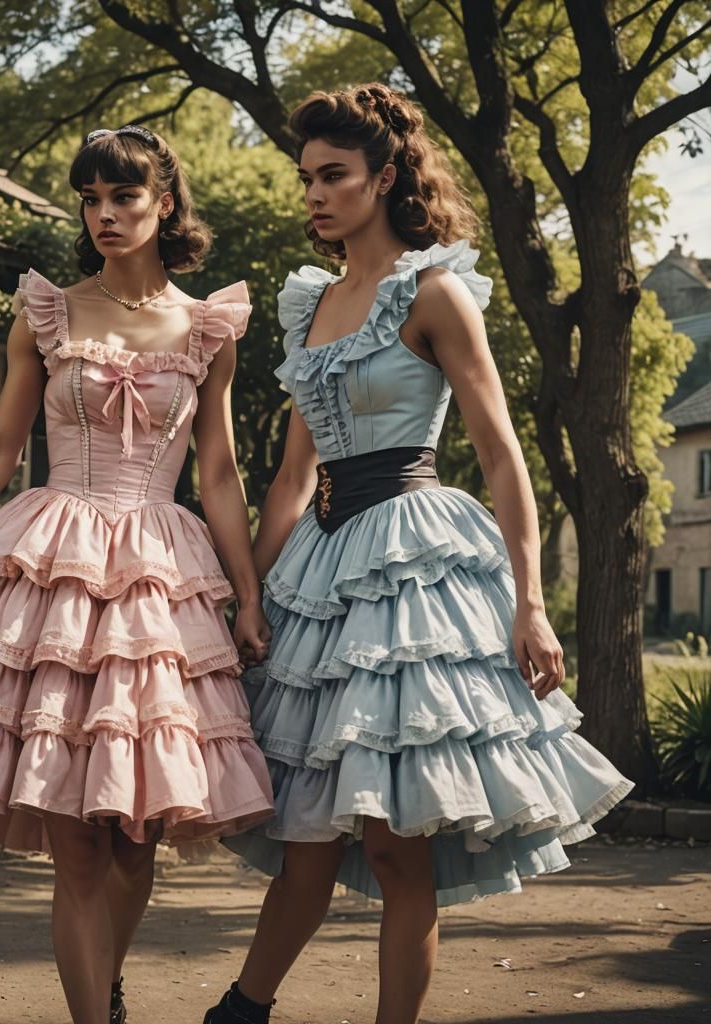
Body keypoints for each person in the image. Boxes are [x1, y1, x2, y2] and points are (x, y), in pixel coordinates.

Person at [206, 84, 633, 1024]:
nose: (314, 194)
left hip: (413, 560)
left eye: (334, 176)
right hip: (321, 565)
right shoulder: (312, 304)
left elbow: (501, 455)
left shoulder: (434, 291)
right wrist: (244, 595)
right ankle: (238, 1011)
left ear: (384, 176)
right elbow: (285, 480)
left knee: (399, 845)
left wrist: (530, 603)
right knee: (307, 834)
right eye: (306, 177)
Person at [0, 123, 274, 1024]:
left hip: (159, 580)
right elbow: (1, 449)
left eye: (124, 196)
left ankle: (103, 988)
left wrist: (249, 595)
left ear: (164, 203)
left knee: (135, 842)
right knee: (77, 847)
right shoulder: (47, 310)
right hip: (52, 565)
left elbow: (221, 473)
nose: (105, 214)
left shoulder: (207, 327)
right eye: (91, 198)